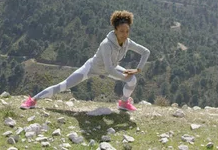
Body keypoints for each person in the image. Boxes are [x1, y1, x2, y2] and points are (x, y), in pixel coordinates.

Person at [20, 10, 150, 111]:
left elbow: (145, 52)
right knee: (64, 85)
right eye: (122, 31)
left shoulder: (127, 42)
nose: (125, 34)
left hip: (110, 68)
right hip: (92, 68)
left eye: (127, 31)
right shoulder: (106, 44)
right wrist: (123, 76)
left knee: (133, 80)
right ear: (115, 30)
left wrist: (138, 69)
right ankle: (33, 100)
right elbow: (109, 68)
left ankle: (123, 103)